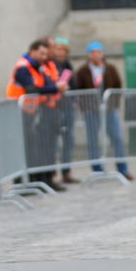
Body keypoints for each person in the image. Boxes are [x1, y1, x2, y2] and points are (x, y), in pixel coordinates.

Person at [6, 38, 69, 192]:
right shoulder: (23, 67)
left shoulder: (39, 67)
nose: (44, 57)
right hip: (20, 112)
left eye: (45, 54)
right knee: (25, 149)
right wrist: (55, 88)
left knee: (36, 149)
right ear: (32, 51)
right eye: (41, 53)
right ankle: (22, 183)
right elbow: (32, 88)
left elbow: (43, 85)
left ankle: (38, 179)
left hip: (33, 112)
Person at [74, 41, 133, 181]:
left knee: (117, 138)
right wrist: (85, 106)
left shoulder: (110, 69)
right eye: (92, 52)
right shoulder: (82, 71)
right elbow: (77, 90)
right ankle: (97, 170)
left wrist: (113, 102)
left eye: (98, 52)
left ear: (102, 53)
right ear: (89, 55)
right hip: (91, 110)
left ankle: (122, 168)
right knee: (93, 140)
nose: (96, 55)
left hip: (109, 109)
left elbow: (118, 86)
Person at [51, 37, 79, 185]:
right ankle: (52, 171)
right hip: (55, 107)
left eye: (63, 50)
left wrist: (74, 100)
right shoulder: (51, 65)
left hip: (68, 106)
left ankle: (66, 170)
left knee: (69, 139)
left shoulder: (68, 65)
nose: (61, 52)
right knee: (54, 140)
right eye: (59, 49)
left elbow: (74, 85)